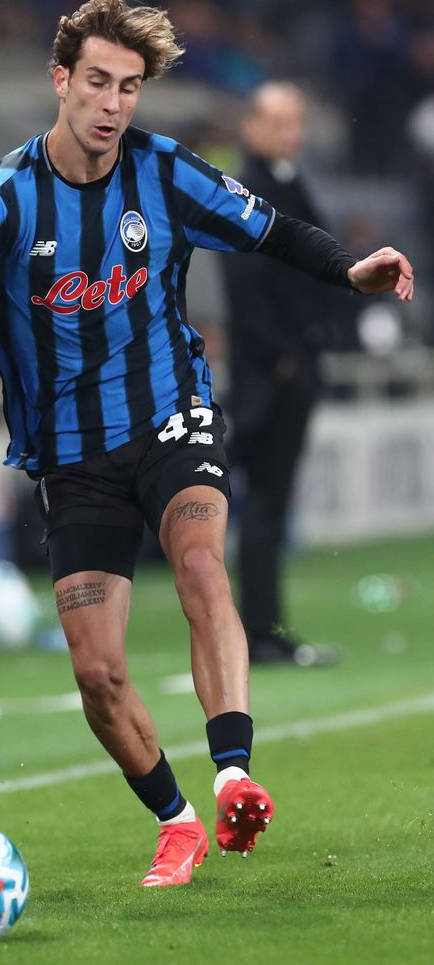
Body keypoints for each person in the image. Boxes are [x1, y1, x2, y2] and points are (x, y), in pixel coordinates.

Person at [0, 0, 413, 887]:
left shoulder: (162, 170)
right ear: (59, 80)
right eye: (97, 82)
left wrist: (348, 270)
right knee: (96, 675)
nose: (113, 103)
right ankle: (176, 818)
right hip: (71, 456)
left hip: (171, 416)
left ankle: (233, 772)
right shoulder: (4, 194)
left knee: (201, 565)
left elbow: (268, 228)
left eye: (128, 86)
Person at [220, 82, 348, 666]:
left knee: (266, 505)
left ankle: (264, 629)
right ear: (250, 125)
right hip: (266, 376)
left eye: (296, 120)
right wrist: (286, 359)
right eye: (279, 121)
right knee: (260, 505)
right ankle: (260, 633)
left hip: (285, 368)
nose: (290, 132)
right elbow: (248, 289)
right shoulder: (247, 190)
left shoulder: (289, 181)